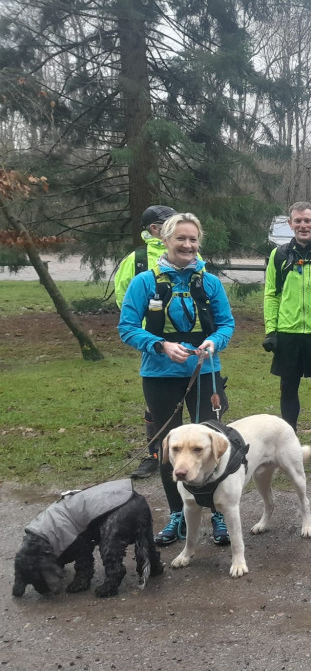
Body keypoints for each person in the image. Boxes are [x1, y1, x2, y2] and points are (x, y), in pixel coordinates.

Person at [118, 212, 235, 547]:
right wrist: (161, 346)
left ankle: (214, 512)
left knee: (209, 446)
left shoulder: (208, 282)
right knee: (167, 448)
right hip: (159, 374)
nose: (187, 245)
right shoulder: (146, 282)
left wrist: (214, 342)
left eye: (193, 240)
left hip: (205, 374)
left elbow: (226, 324)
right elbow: (127, 328)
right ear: (165, 241)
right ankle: (177, 513)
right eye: (181, 239)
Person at [263, 202, 311, 469]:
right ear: (290, 224)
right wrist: (271, 330)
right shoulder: (278, 255)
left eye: (307, 220)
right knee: (288, 389)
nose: (303, 225)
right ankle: (289, 445)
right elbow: (271, 294)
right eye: (298, 221)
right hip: (287, 333)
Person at [114, 204, 177, 480]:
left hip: (188, 340)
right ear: (154, 228)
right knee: (156, 402)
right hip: (152, 341)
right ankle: (155, 454)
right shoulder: (137, 259)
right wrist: (146, 331)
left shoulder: (185, 250)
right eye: (169, 223)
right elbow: (123, 297)